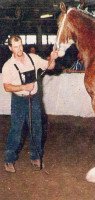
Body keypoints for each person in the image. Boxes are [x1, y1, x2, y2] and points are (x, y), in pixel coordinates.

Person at [2, 35, 58, 173]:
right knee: (16, 130)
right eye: (15, 47)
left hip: (34, 99)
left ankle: (35, 157)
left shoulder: (33, 58)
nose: (19, 49)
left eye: (20, 45)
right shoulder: (8, 65)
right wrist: (23, 87)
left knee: (37, 128)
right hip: (19, 101)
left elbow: (49, 66)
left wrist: (52, 58)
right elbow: (6, 87)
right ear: (10, 48)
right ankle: (9, 160)